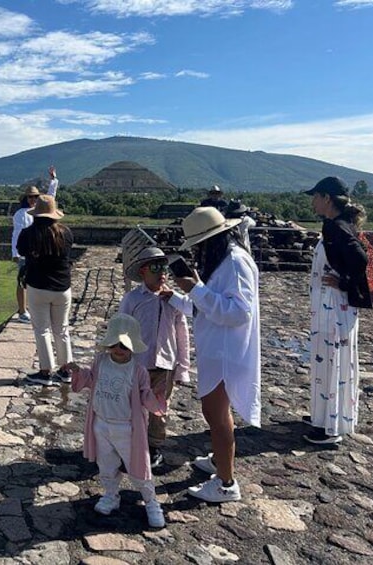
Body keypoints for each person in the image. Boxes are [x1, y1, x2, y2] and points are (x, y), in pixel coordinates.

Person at [167, 206, 261, 503]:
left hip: (226, 352)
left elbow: (239, 311)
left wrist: (195, 289)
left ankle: (225, 482)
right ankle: (221, 461)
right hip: (217, 348)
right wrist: (179, 297)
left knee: (216, 414)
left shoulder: (234, 262)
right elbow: (207, 304)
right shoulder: (223, 260)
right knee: (217, 414)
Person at [66, 313, 167, 528]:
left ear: (133, 347)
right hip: (101, 423)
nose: (119, 349)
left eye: (124, 345)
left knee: (138, 466)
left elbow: (145, 395)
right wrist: (78, 372)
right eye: (115, 344)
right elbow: (91, 379)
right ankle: (111, 494)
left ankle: (151, 501)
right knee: (106, 463)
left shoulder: (138, 371)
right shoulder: (101, 362)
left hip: (126, 427)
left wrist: (158, 397)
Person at [303, 176, 372, 445]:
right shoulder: (336, 226)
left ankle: (329, 426)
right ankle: (327, 415)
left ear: (327, 199)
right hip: (329, 306)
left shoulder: (338, 228)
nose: (313, 201)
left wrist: (343, 281)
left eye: (316, 196)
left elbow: (360, 260)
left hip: (334, 306)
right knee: (329, 360)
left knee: (331, 361)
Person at [119, 247, 190, 469]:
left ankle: (154, 446)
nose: (162, 273)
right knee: (133, 406)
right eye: (155, 268)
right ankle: (131, 444)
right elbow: (121, 327)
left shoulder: (174, 300)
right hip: (137, 363)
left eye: (165, 268)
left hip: (164, 364)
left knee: (159, 409)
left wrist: (183, 367)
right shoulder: (132, 299)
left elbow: (182, 333)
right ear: (143, 272)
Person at [16, 194, 74, 386]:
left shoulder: (28, 234)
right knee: (62, 329)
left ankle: (45, 371)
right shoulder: (66, 233)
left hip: (38, 286)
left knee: (42, 330)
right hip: (62, 287)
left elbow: (21, 250)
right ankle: (66, 370)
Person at [11, 186, 40, 323]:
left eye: (35, 197)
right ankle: (22, 311)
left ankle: (29, 308)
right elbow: (16, 235)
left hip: (38, 252)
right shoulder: (21, 214)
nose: (33, 199)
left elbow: (51, 199)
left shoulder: (39, 211)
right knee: (22, 281)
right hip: (26, 252)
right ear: (25, 198)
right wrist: (15, 253)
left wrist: (54, 181)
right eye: (30, 197)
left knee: (34, 282)